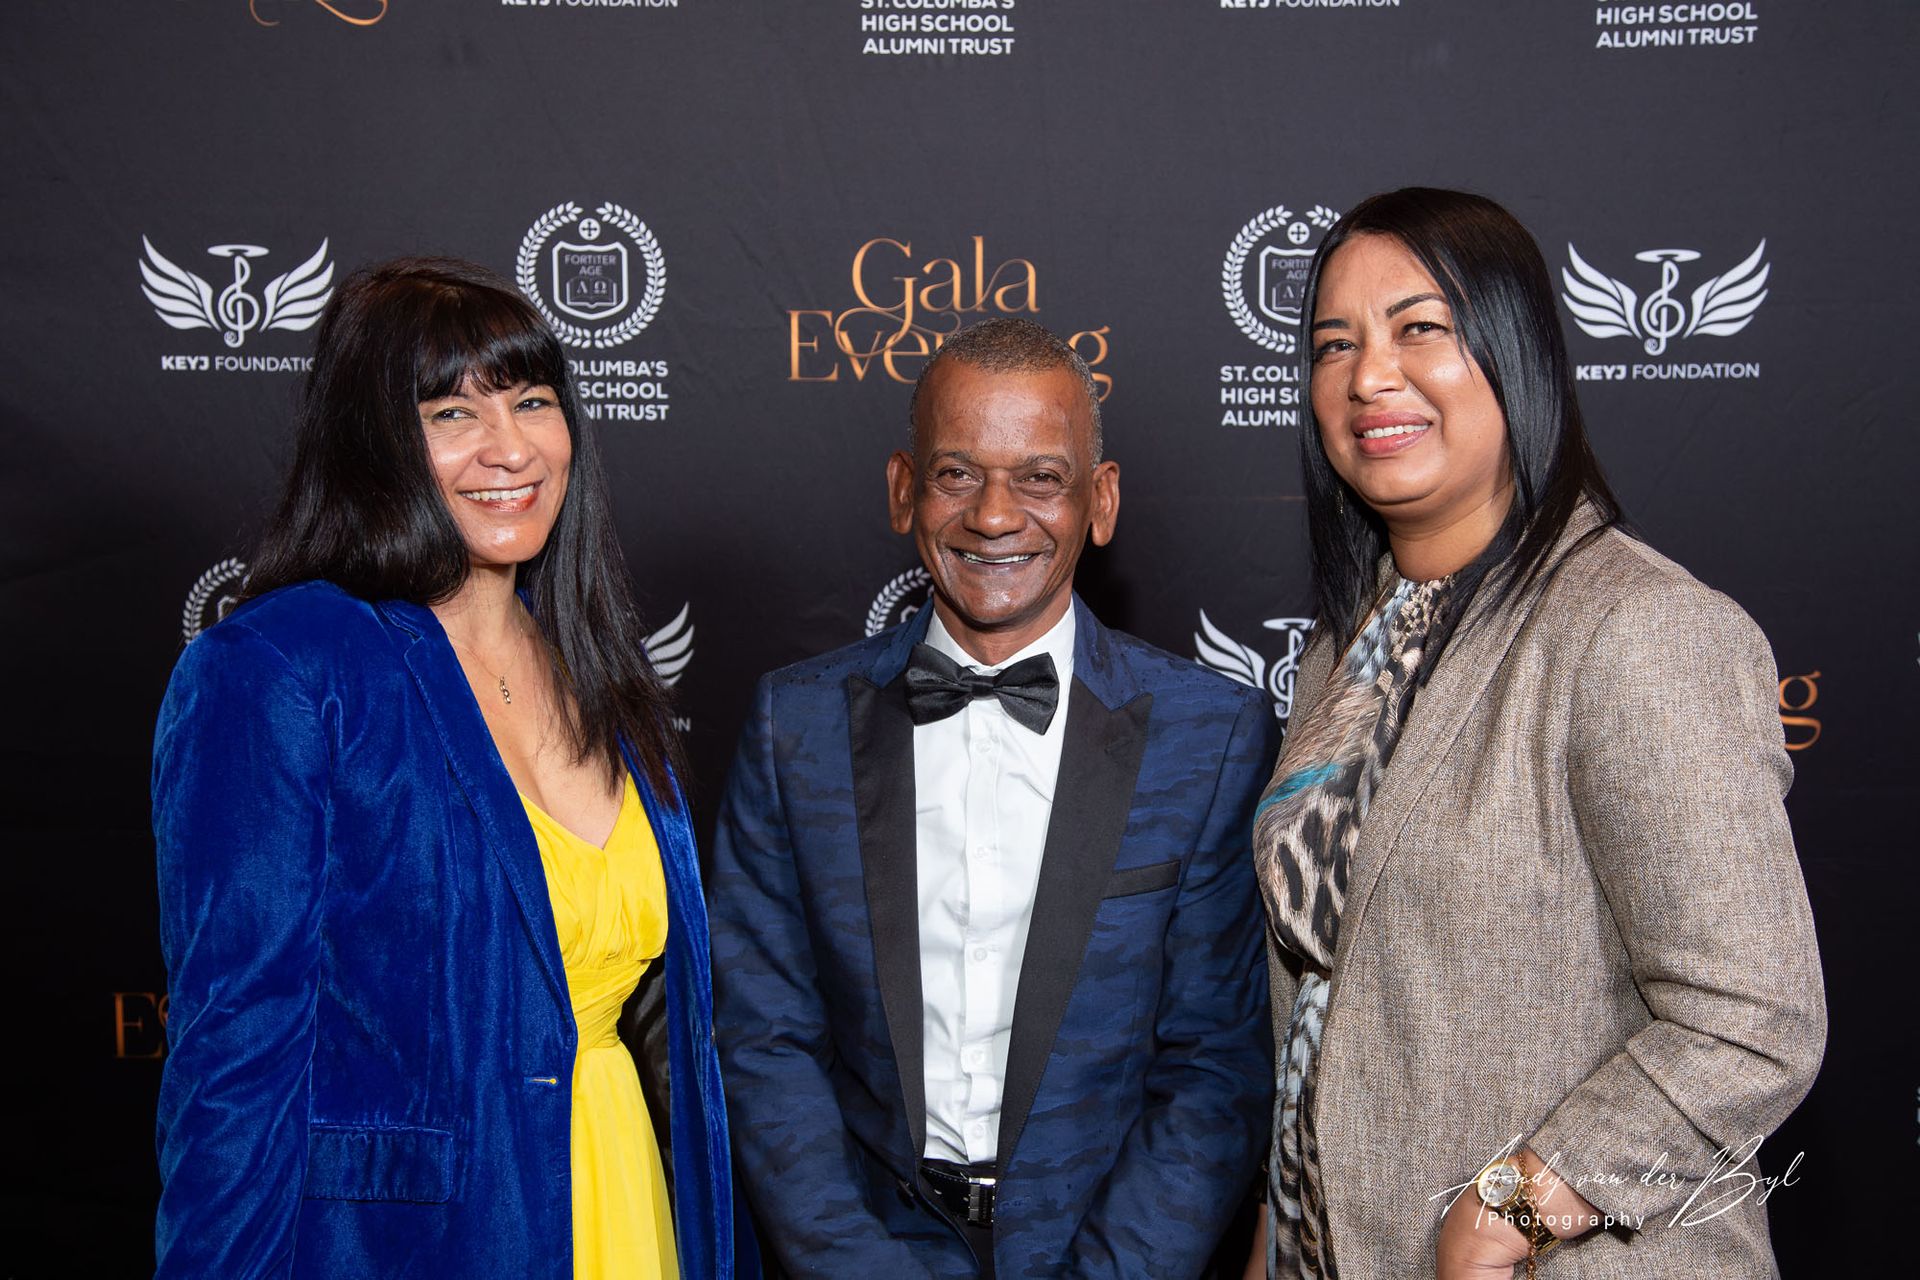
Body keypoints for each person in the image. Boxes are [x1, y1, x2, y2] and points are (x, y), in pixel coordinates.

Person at [1247, 188, 1826, 1279]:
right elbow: (1321, 1002)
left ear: (1514, 352)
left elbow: (1753, 1018)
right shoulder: (1344, 645)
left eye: (1420, 327)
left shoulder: (1637, 627)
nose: (1369, 376)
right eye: (1334, 344)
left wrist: (1512, 1205)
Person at [151, 258, 749, 1279]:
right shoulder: (280, 669)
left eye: (532, 401)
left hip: (631, 1204)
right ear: (372, 441)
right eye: (451, 414)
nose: (510, 447)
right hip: (424, 1243)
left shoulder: (590, 660)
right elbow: (235, 1059)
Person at [710, 317, 1278, 1278]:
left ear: (1100, 500)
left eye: (1041, 477)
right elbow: (762, 1040)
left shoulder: (1210, 735)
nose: (994, 515)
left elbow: (1215, 1068)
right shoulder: (792, 725)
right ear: (904, 489)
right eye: (956, 473)